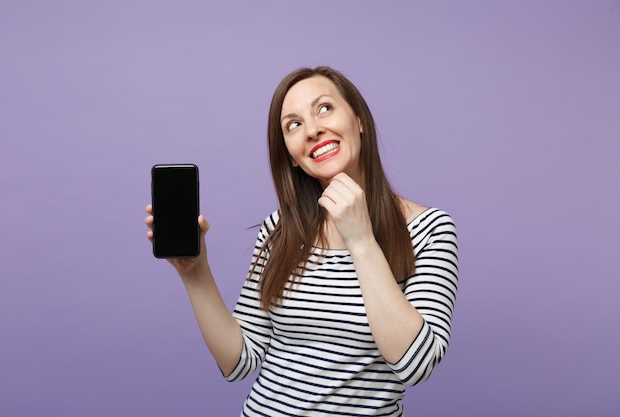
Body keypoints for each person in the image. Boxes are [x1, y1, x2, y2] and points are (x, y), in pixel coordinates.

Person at [145, 66, 458, 417]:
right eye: (293, 125)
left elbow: (416, 365)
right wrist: (195, 272)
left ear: (359, 121)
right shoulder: (280, 229)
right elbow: (240, 361)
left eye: (324, 108)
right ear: (292, 157)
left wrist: (361, 239)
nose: (312, 130)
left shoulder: (429, 230)